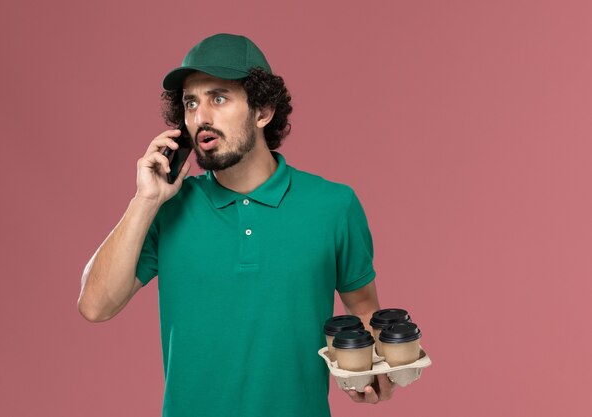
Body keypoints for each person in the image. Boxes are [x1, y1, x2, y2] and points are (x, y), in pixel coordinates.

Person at [78, 33, 394, 417]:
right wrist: (144, 200)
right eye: (190, 103)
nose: (200, 117)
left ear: (263, 111)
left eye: (218, 98)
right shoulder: (166, 209)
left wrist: (373, 372)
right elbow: (95, 306)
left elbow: (363, 310)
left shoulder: (334, 205)